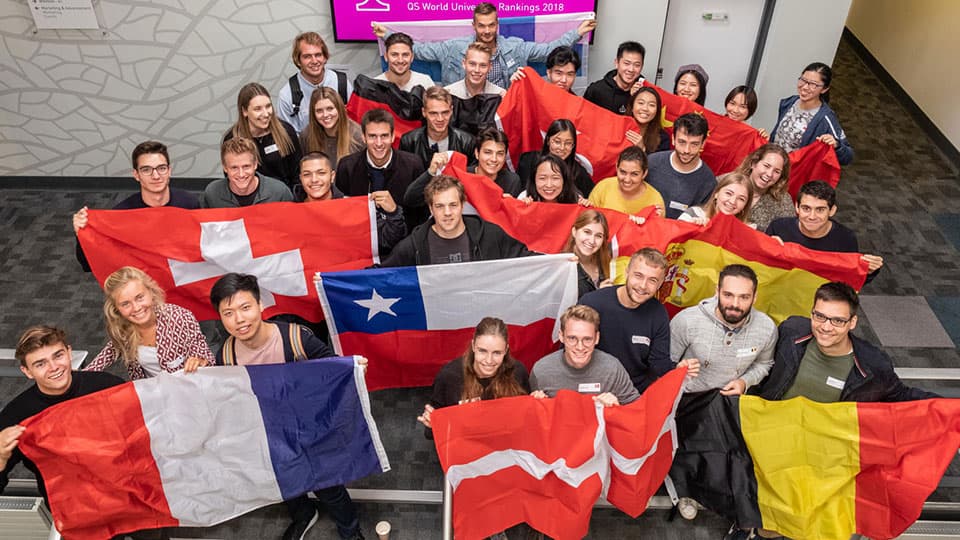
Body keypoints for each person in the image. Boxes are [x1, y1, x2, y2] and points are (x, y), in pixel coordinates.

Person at [723, 281, 938, 540]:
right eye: (820, 316)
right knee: (756, 493)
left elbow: (901, 396)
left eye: (837, 321)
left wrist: (948, 408)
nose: (825, 327)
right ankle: (749, 527)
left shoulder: (872, 365)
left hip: (821, 450)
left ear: (853, 323)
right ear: (812, 312)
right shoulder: (791, 331)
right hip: (772, 434)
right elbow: (763, 361)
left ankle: (761, 532)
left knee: (792, 511)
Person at [209, 273, 363, 540]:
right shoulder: (226, 355)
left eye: (245, 308)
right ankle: (303, 515)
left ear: (260, 306)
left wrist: (351, 367)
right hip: (269, 434)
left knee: (329, 486)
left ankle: (350, 530)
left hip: (310, 429)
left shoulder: (296, 337)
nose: (239, 320)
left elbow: (330, 368)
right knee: (285, 481)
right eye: (228, 313)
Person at [669, 264, 776, 520]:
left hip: (729, 400)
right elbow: (664, 362)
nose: (734, 304)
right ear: (717, 291)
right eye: (728, 295)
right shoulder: (687, 321)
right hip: (689, 400)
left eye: (743, 297)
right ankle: (688, 491)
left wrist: (745, 382)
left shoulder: (766, 327)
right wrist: (679, 369)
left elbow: (765, 363)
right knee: (697, 450)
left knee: (736, 457)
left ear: (755, 297)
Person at [0, 326, 125, 509]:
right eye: (40, 364)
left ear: (69, 352)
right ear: (27, 371)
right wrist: (1, 456)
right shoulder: (17, 417)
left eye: (58, 356)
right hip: (77, 512)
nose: (53, 367)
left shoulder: (107, 386)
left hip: (130, 495)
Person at [373, 3, 596, 88]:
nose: (487, 31)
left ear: (497, 24)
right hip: (461, 113)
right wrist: (388, 35)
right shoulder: (452, 48)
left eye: (491, 25)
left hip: (501, 112)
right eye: (482, 26)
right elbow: (417, 50)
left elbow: (549, 51)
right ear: (474, 26)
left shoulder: (516, 47)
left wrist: (577, 32)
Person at [73, 141, 199, 271]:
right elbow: (90, 264)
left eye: (161, 168)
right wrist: (81, 234)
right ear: (136, 175)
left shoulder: (189, 204)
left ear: (169, 171)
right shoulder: (121, 214)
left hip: (180, 277)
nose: (156, 176)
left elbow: (201, 249)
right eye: (146, 170)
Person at [84, 266, 213, 380]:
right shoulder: (122, 328)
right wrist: (83, 377)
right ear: (116, 309)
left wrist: (200, 361)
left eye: (140, 297)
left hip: (187, 387)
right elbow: (112, 350)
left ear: (151, 293)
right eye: (125, 304)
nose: (136, 308)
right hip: (151, 393)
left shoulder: (180, 317)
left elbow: (205, 355)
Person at [382, 174, 532, 267]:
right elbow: (380, 276)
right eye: (440, 206)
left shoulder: (490, 235)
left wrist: (555, 262)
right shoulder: (414, 246)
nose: (447, 213)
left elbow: (528, 261)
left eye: (453, 205)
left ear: (462, 205)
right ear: (431, 209)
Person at [417, 317, 530, 437]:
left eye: (497, 353)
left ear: (506, 350)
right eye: (482, 351)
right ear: (473, 346)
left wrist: (538, 401)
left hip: (504, 441)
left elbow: (526, 416)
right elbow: (432, 431)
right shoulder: (449, 376)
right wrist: (432, 423)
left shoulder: (518, 372)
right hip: (467, 443)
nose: (489, 360)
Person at [579, 248, 672, 392]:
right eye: (638, 276)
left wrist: (680, 369)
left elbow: (659, 363)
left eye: (652, 280)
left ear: (660, 284)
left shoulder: (658, 313)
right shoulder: (592, 302)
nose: (643, 286)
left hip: (635, 393)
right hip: (593, 388)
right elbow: (570, 351)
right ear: (627, 272)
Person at [766, 180, 884, 277]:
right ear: (797, 207)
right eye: (806, 208)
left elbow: (849, 278)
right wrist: (768, 250)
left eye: (820, 210)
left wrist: (869, 271)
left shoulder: (845, 238)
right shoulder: (778, 228)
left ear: (832, 210)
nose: (812, 216)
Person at [530, 304, 640, 407]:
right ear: (561, 336)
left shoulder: (612, 369)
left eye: (587, 339)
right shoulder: (541, 371)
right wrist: (535, 406)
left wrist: (618, 407)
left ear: (596, 338)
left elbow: (637, 411)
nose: (580, 347)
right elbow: (528, 420)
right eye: (572, 338)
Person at [298, 151, 405, 256]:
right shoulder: (291, 213)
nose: (314, 180)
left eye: (321, 173)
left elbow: (388, 241)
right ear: (300, 178)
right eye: (307, 174)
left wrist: (393, 213)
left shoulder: (354, 208)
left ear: (332, 176)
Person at [335, 108, 425, 227]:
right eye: (372, 136)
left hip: (403, 239)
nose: (378, 143)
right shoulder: (347, 166)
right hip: (361, 237)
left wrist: (395, 211)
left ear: (393, 136)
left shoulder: (413, 165)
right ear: (363, 137)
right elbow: (341, 211)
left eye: (384, 136)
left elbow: (421, 214)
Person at [403, 127, 522, 210]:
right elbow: (410, 199)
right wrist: (431, 172)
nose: (494, 159)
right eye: (488, 152)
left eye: (500, 153)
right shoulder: (460, 175)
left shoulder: (512, 181)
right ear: (477, 153)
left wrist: (517, 205)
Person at [770, 62, 853, 165]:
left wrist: (836, 145)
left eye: (813, 84)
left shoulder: (825, 118)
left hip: (795, 174)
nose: (805, 87)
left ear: (824, 89)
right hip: (773, 166)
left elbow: (848, 157)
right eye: (803, 80)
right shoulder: (789, 102)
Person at [224, 82, 302, 188]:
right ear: (244, 111)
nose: (265, 114)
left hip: (284, 196)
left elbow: (298, 171)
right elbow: (232, 177)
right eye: (258, 109)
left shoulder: (286, 131)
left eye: (268, 106)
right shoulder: (232, 138)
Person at [277, 32, 352, 134]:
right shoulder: (286, 95)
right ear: (298, 60)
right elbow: (289, 137)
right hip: (307, 148)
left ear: (325, 57)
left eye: (318, 55)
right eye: (307, 56)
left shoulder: (342, 83)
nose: (314, 61)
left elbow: (354, 123)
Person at [646, 113, 716, 219]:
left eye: (694, 144)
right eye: (682, 142)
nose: (686, 150)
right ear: (673, 139)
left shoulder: (708, 182)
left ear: (703, 144)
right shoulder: (651, 162)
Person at [400, 85, 476, 170]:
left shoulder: (467, 142)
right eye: (433, 113)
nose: (440, 119)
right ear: (424, 112)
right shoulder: (409, 141)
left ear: (451, 111)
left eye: (445, 112)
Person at [202, 137, 294, 208]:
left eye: (246, 166)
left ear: (255, 164)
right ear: (225, 168)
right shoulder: (213, 193)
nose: (241, 174)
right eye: (234, 168)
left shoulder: (279, 192)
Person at [516, 118, 594, 197]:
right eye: (557, 142)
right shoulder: (528, 161)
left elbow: (590, 200)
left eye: (568, 143)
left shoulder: (579, 173)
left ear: (573, 146)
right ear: (548, 141)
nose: (562, 148)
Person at [298, 87, 364, 169]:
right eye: (319, 111)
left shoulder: (358, 135)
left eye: (330, 109)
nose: (325, 114)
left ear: (339, 108)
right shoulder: (306, 135)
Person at [588, 146, 664, 216]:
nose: (627, 180)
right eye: (623, 172)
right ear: (617, 168)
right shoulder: (603, 187)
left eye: (634, 174)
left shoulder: (655, 200)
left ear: (644, 174)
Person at [733, 143, 793, 231]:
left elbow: (787, 235)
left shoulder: (784, 201)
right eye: (766, 166)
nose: (769, 174)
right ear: (753, 163)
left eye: (777, 171)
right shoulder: (727, 183)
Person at [562, 209, 613, 298]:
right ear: (574, 231)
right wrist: (598, 295)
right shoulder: (563, 266)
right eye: (587, 232)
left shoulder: (608, 260)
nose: (592, 241)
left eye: (598, 236)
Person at [584, 41, 645, 114]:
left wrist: (634, 98)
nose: (631, 69)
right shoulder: (596, 90)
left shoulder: (644, 92)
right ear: (616, 63)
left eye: (637, 65)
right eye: (626, 63)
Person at [678, 172, 754, 225]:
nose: (732, 201)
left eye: (741, 199)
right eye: (728, 193)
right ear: (716, 193)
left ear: (746, 204)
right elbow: (672, 241)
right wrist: (691, 227)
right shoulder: (693, 214)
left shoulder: (748, 230)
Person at [509, 45, 581, 94]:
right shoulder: (534, 98)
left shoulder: (579, 106)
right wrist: (514, 89)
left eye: (570, 74)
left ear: (575, 76)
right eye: (559, 73)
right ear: (549, 73)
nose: (564, 80)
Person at [625, 86, 670, 153]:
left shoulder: (663, 138)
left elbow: (660, 163)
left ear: (657, 111)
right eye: (641, 103)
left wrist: (642, 149)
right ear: (632, 107)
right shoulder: (619, 127)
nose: (645, 108)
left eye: (651, 105)